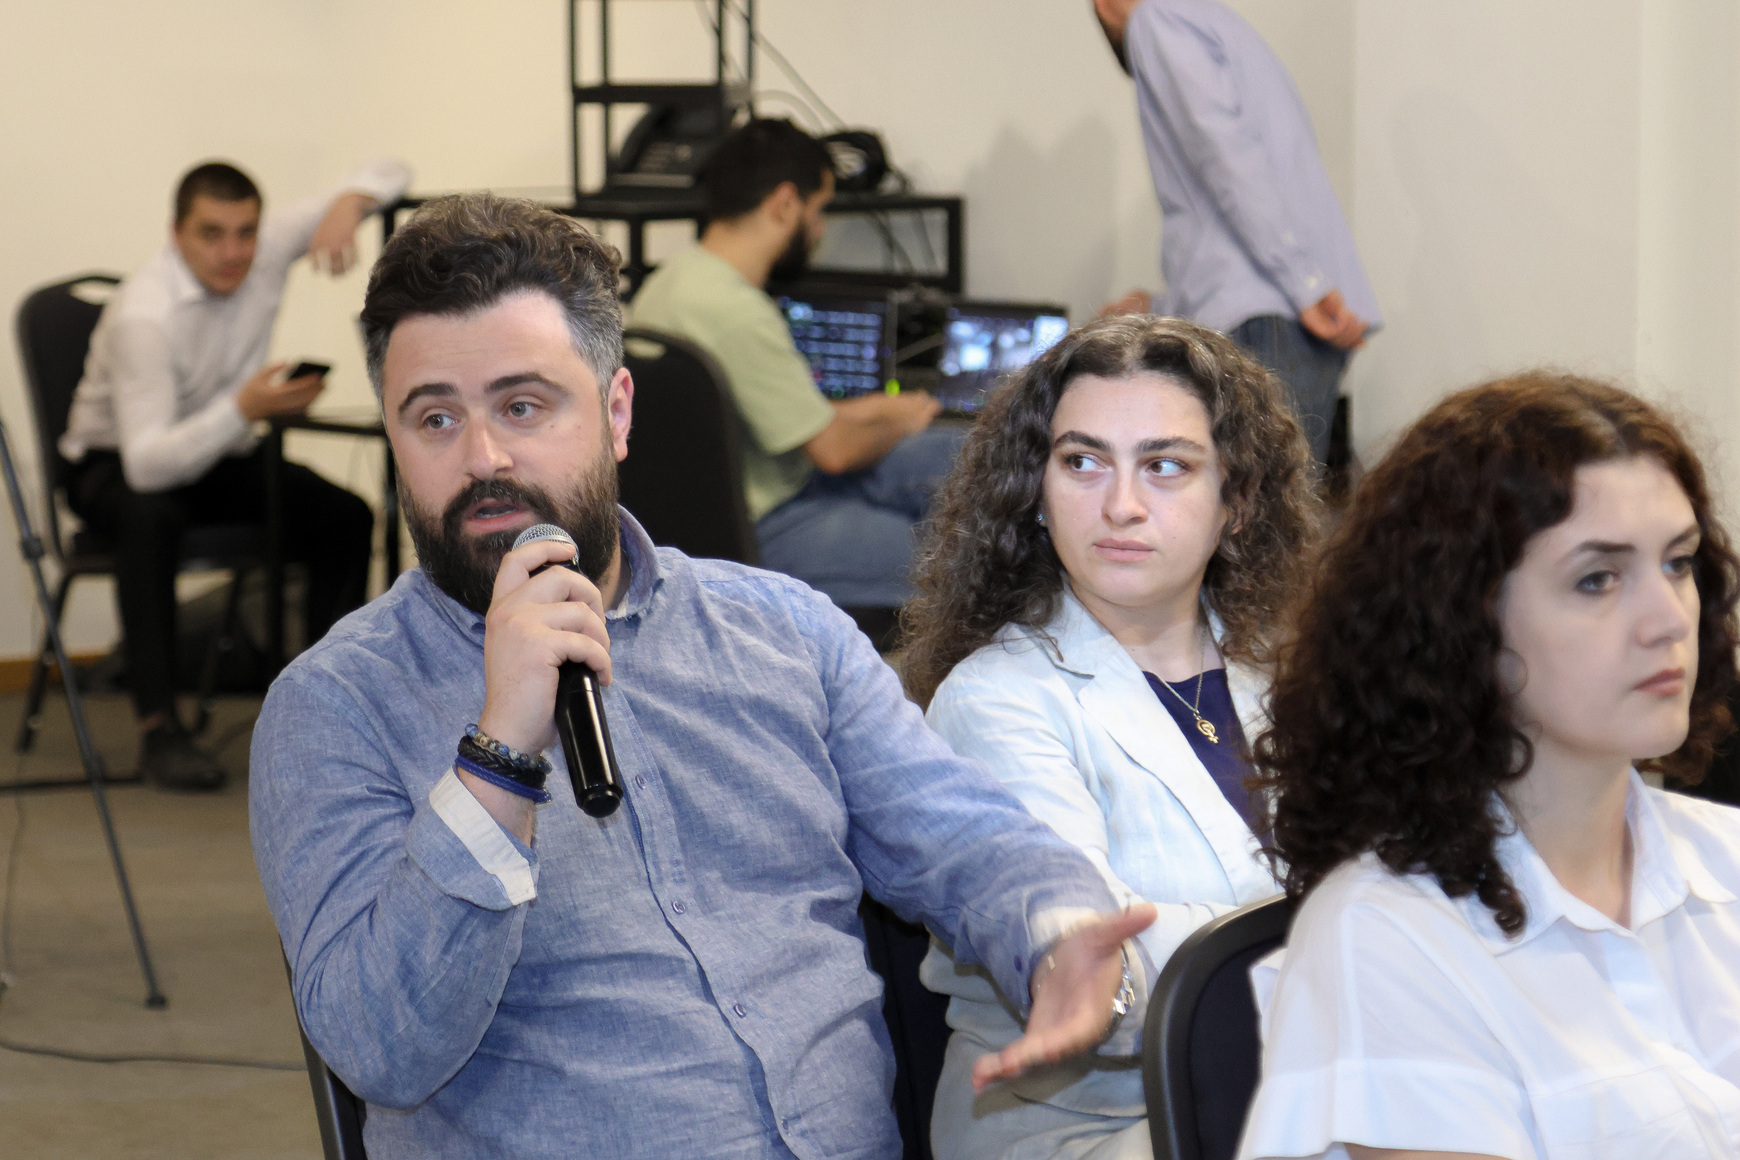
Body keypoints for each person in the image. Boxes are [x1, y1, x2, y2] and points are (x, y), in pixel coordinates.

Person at [248, 192, 1161, 1160]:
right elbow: (378, 1049)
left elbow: (964, 836)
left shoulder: (785, 632)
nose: (484, 458)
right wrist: (498, 757)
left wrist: (1057, 931)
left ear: (616, 412)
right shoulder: (333, 708)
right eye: (435, 418)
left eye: (523, 406)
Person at [1239, 373, 1740, 1159]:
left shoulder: (1726, 856)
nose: (1668, 619)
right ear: (1461, 621)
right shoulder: (1387, 940)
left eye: (1678, 563)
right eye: (1598, 579)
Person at [901, 314, 1318, 1159]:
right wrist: (1353, 942)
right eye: (1082, 462)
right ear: (1036, 491)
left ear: (1237, 502)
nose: (1121, 506)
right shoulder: (996, 702)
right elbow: (1105, 967)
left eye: (1166, 466)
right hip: (1087, 1129)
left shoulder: (1287, 674)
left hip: (1283, 1093)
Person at [59, 158, 409, 790]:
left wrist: (351, 201)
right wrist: (245, 409)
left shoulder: (266, 246)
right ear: (177, 234)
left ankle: (328, 706)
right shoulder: (145, 315)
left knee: (344, 516)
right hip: (114, 464)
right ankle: (159, 729)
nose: (233, 252)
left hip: (220, 450)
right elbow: (147, 464)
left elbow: (392, 167)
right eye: (211, 234)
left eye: (246, 233)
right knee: (149, 517)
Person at [629, 118, 962, 610]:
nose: (820, 230)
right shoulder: (738, 313)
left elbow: (745, 413)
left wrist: (871, 411)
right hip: (764, 529)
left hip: (716, 508)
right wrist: (900, 421)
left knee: (949, 454)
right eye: (819, 210)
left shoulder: (669, 285)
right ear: (786, 203)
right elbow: (835, 453)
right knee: (958, 560)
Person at [1090, 0, 1380, 464]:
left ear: (1106, 7)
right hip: (1286, 318)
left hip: (1267, 322)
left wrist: (1305, 283)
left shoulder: (1157, 17)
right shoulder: (1217, 23)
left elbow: (1225, 158)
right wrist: (1160, 306)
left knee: (1248, 507)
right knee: (1274, 503)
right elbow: (1228, 194)